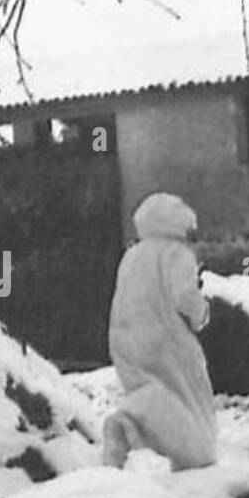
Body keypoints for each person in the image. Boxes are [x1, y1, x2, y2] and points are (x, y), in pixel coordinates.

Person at [103, 193, 218, 470]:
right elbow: (183, 296)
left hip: (125, 337)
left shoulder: (132, 254)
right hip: (164, 338)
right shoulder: (176, 253)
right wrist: (201, 312)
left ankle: (127, 427)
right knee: (189, 402)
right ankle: (128, 422)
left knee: (157, 393)